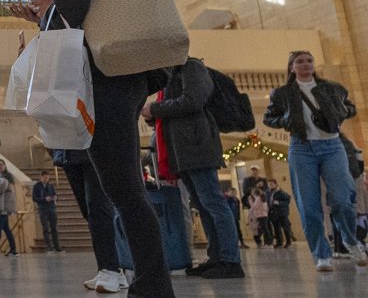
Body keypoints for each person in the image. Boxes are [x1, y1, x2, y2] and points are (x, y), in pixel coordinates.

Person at [8, 0, 175, 297]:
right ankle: (150, 282)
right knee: (123, 188)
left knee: (123, 189)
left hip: (106, 81)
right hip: (125, 75)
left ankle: (153, 285)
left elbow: (69, 16)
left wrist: (44, 14)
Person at [263, 50, 366, 271]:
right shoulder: (282, 93)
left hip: (332, 146)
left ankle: (350, 239)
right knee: (308, 206)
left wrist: (340, 112)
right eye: (300, 61)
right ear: (291, 67)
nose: (306, 64)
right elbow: (269, 118)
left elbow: (351, 109)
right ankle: (322, 254)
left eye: (309, 60)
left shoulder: (332, 87)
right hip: (301, 149)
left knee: (342, 199)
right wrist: (285, 119)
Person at [142, 58, 243, 279]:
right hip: (182, 148)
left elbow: (192, 100)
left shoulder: (191, 67)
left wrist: (155, 108)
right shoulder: (170, 72)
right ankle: (216, 257)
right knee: (203, 205)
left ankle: (230, 259)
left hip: (196, 144)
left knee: (213, 203)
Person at [55, 149, 130, 292]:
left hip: (94, 148)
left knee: (98, 209)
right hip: (68, 151)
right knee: (88, 212)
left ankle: (109, 269)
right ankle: (113, 268)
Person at [32, 170, 63, 252]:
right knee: (46, 228)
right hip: (43, 209)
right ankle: (49, 247)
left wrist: (55, 197)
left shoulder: (51, 186)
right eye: (45, 178)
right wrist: (44, 199)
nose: (46, 179)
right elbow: (34, 198)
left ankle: (57, 247)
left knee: (54, 228)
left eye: (47, 178)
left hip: (52, 208)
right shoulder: (37, 186)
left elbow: (55, 194)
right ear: (41, 177)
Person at [265, 179, 294, 248]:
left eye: (272, 184)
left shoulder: (280, 192)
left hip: (282, 213)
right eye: (269, 184)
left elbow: (288, 200)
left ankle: (289, 241)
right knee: (276, 228)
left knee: (285, 227)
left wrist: (279, 203)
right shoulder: (268, 192)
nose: (270, 186)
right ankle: (279, 242)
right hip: (273, 213)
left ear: (275, 184)